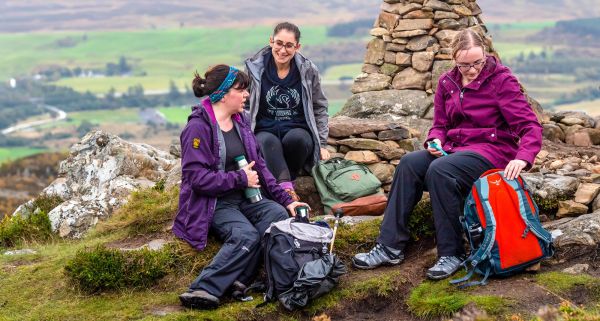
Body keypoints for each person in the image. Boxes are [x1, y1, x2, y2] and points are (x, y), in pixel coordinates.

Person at [352, 29, 543, 280]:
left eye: (477, 62)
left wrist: (523, 157)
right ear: (453, 58)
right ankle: (390, 246)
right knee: (409, 162)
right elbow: (440, 125)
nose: (472, 70)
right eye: (465, 65)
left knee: (441, 170)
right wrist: (435, 140)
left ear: (485, 55)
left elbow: (529, 125)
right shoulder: (446, 82)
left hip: (491, 152)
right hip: (454, 150)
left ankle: (452, 253)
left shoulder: (502, 80)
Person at [173, 64, 309, 309]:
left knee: (276, 217)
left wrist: (287, 200)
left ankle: (239, 280)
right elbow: (196, 179)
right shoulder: (198, 128)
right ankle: (203, 288)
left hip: (248, 198)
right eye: (241, 89)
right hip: (214, 203)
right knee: (245, 234)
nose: (246, 94)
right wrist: (239, 179)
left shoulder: (241, 123)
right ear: (224, 94)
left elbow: (261, 169)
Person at [245, 22, 330, 202]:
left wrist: (322, 143)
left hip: (297, 130)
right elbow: (244, 104)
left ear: (297, 47)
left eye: (289, 45)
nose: (283, 50)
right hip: (265, 130)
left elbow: (319, 107)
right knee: (265, 141)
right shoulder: (255, 69)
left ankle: (279, 182)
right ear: (271, 42)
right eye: (279, 43)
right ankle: (287, 190)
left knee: (299, 139)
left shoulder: (308, 71)